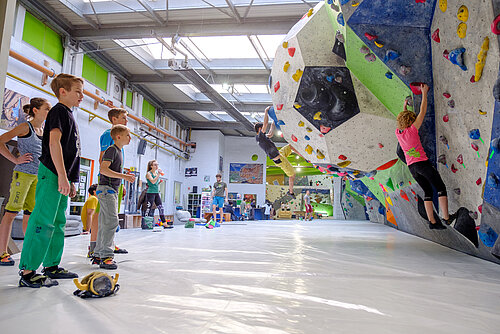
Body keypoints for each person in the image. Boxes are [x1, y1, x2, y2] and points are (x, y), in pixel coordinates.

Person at [18, 74, 83, 288]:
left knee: (57, 223)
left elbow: (69, 151)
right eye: (78, 91)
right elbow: (54, 144)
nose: (82, 96)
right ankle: (28, 271)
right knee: (42, 221)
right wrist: (62, 176)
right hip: (51, 173)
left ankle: (51, 266)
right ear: (63, 91)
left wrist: (71, 180)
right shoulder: (57, 111)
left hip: (62, 175)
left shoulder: (69, 114)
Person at [395, 83, 456, 229]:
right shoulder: (413, 130)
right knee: (440, 187)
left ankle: (433, 222)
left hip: (412, 168)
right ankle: (446, 218)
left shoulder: (399, 133)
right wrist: (424, 93)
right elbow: (422, 110)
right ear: (411, 121)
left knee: (427, 191)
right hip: (422, 164)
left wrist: (405, 106)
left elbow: (403, 118)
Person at [0, 98, 50, 266]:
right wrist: (15, 159)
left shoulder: (43, 129)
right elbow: (1, 141)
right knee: (11, 213)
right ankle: (2, 253)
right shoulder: (25, 127)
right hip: (23, 175)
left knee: (30, 215)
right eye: (46, 109)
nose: (48, 113)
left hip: (37, 177)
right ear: (35, 110)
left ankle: (28, 250)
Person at [93, 125, 135, 269]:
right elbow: (103, 169)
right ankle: (106, 256)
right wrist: (124, 176)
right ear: (118, 137)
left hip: (111, 191)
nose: (130, 138)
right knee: (111, 222)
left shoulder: (118, 151)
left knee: (105, 223)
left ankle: (98, 254)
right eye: (127, 135)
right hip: (107, 190)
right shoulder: (111, 150)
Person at [91, 108, 129, 256]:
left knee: (109, 216)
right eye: (123, 118)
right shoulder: (109, 135)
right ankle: (95, 247)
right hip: (107, 182)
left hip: (115, 182)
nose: (126, 121)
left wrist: (122, 181)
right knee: (105, 216)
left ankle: (109, 244)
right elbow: (104, 160)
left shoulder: (120, 144)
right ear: (114, 119)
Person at [255, 106, 296, 197]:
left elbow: (271, 133)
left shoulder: (262, 138)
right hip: (279, 159)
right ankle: (291, 192)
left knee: (290, 146)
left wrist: (274, 120)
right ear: (259, 129)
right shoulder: (260, 136)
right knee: (292, 175)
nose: (264, 130)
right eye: (262, 128)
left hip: (279, 153)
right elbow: (265, 124)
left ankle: (302, 154)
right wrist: (266, 112)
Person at [145, 160, 170, 228]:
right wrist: (159, 174)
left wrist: (159, 182)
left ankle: (164, 223)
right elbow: (152, 182)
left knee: (161, 208)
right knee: (149, 208)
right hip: (150, 193)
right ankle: (146, 223)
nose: (157, 166)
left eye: (157, 165)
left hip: (156, 192)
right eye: (155, 165)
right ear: (151, 166)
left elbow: (155, 183)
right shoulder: (149, 174)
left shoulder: (156, 173)